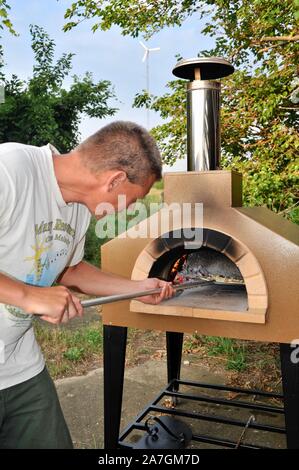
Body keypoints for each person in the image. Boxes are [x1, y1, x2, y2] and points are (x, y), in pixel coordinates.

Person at [0, 121, 174, 449]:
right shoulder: (10, 170)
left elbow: (70, 270)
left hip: (19, 364)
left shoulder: (78, 209)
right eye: (135, 199)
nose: (133, 208)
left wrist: (136, 287)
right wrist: (28, 296)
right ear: (115, 179)